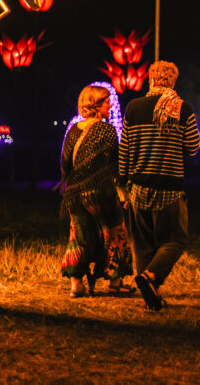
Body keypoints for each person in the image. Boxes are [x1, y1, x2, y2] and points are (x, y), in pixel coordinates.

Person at [118, 61, 200, 311]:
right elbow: (193, 148)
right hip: (170, 187)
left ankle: (149, 291)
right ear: (173, 81)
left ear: (150, 79)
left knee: (143, 244)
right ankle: (150, 278)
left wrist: (123, 185)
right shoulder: (182, 109)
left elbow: (125, 150)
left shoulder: (133, 107)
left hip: (139, 185)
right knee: (175, 240)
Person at [60, 85, 134, 298]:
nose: (111, 105)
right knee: (115, 235)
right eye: (106, 102)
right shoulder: (107, 131)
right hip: (101, 193)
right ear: (95, 105)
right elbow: (116, 166)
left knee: (79, 237)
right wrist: (123, 193)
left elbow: (65, 164)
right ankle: (115, 282)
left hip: (75, 195)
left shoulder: (73, 130)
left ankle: (76, 285)